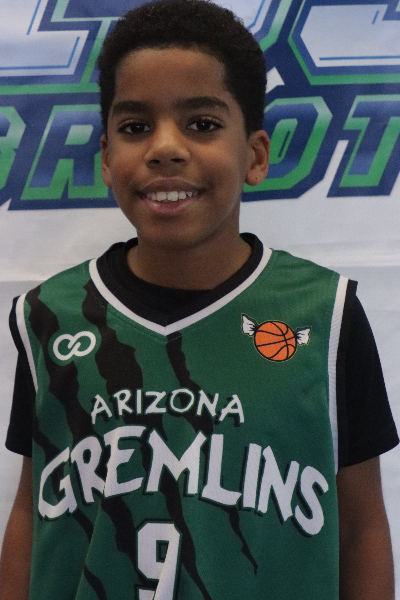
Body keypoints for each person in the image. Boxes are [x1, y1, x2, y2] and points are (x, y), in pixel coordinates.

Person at [0, 0, 398, 598]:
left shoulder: (327, 314)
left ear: (255, 156)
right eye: (135, 128)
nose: (165, 147)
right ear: (106, 158)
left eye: (202, 124)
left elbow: (362, 526)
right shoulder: (48, 316)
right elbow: (31, 511)